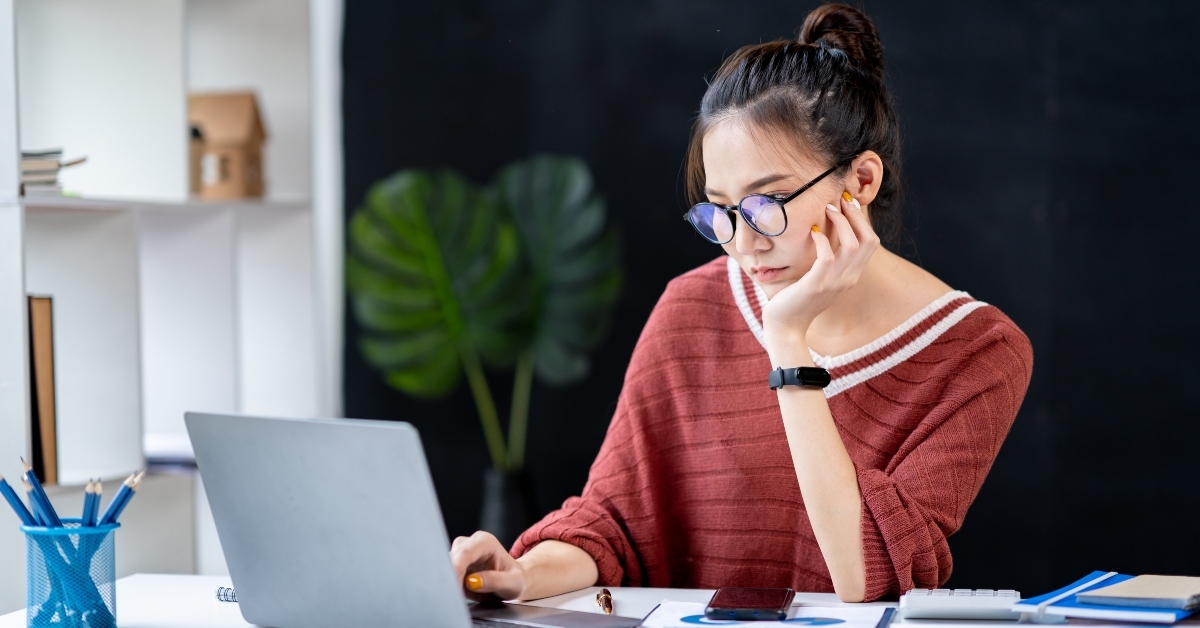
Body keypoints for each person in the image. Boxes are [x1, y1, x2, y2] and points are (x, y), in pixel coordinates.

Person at [449, 3, 1032, 603]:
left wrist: (788, 342)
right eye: (720, 212)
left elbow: (870, 575)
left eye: (766, 204)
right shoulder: (691, 308)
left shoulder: (979, 352)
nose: (744, 244)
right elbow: (611, 525)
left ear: (860, 181)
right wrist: (523, 573)